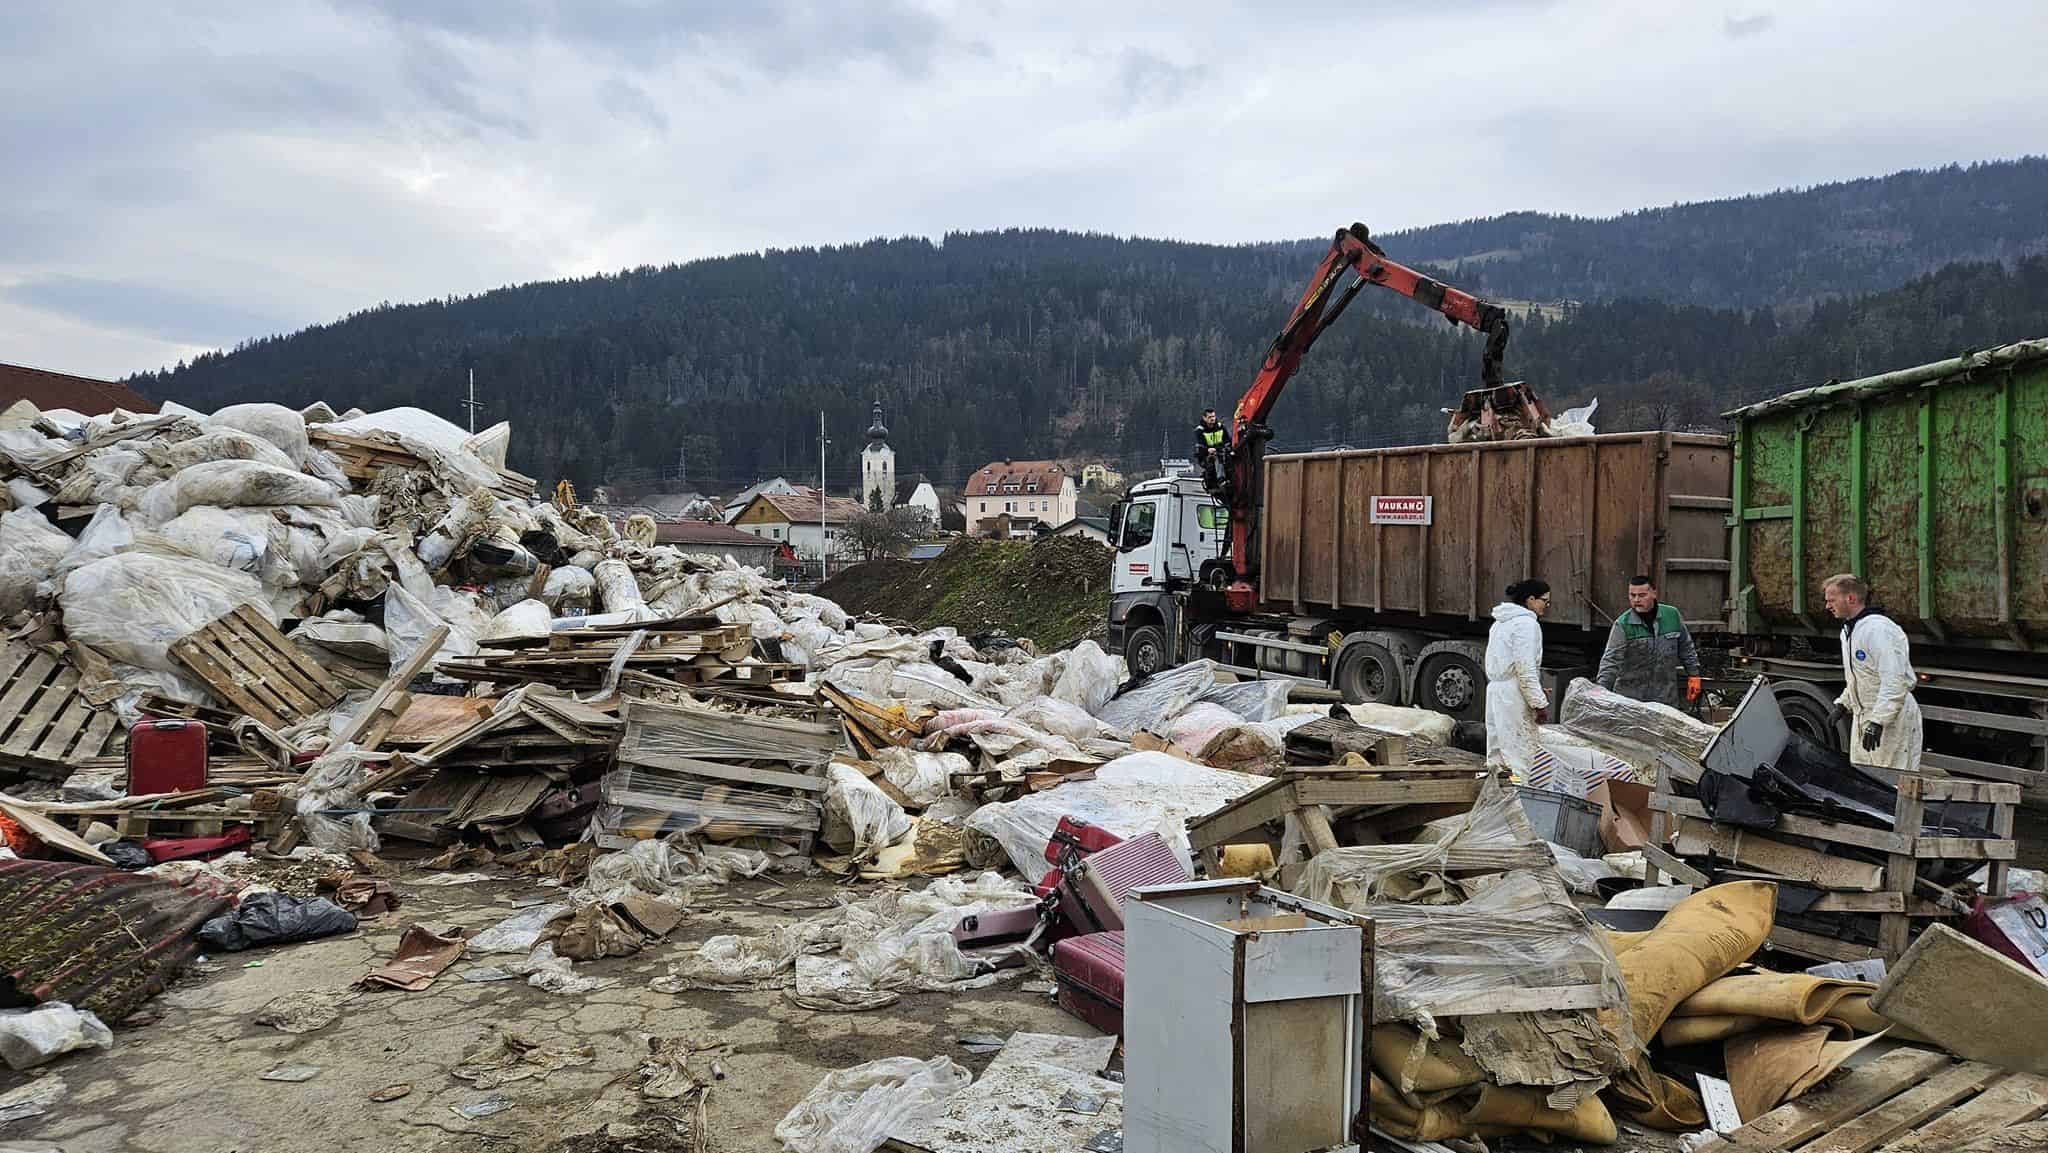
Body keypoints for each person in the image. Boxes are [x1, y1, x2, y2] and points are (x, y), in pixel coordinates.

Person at [1822, 573, 1923, 773]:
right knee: (1866, 778)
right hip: (1866, 717)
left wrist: (1879, 721)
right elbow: (1862, 676)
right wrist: (1843, 704)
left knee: (1892, 781)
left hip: (1892, 721)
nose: (1827, 606)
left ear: (1850, 598)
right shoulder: (1849, 631)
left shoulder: (1878, 630)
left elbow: (1894, 680)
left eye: (1831, 600)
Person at [1596, 574, 1702, 708]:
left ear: (1654, 593)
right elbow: (1611, 661)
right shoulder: (1622, 625)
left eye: (1642, 595)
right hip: (1631, 701)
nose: (1636, 600)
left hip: (1665, 698)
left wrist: (1694, 675)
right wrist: (1601, 691)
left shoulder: (1672, 615)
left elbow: (1686, 647)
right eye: (1632, 595)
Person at [1485, 578, 1552, 778]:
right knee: (1520, 755)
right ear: (1531, 599)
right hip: (1513, 696)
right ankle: (1518, 792)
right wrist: (1539, 704)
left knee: (1497, 752)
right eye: (1544, 600)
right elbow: (1525, 669)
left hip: (1496, 691)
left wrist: (1535, 690)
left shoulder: (1500, 622)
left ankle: (1497, 790)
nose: (1546, 606)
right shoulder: (1527, 625)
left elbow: (1509, 666)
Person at [1194, 407, 1231, 490]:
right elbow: (1200, 445)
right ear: (1204, 418)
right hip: (1205, 456)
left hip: (1221, 450)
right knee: (1216, 457)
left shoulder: (1221, 427)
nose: (1212, 419)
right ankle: (1221, 479)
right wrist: (1208, 449)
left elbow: (1227, 440)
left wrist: (1227, 447)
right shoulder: (1200, 430)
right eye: (1210, 417)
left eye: (1213, 416)